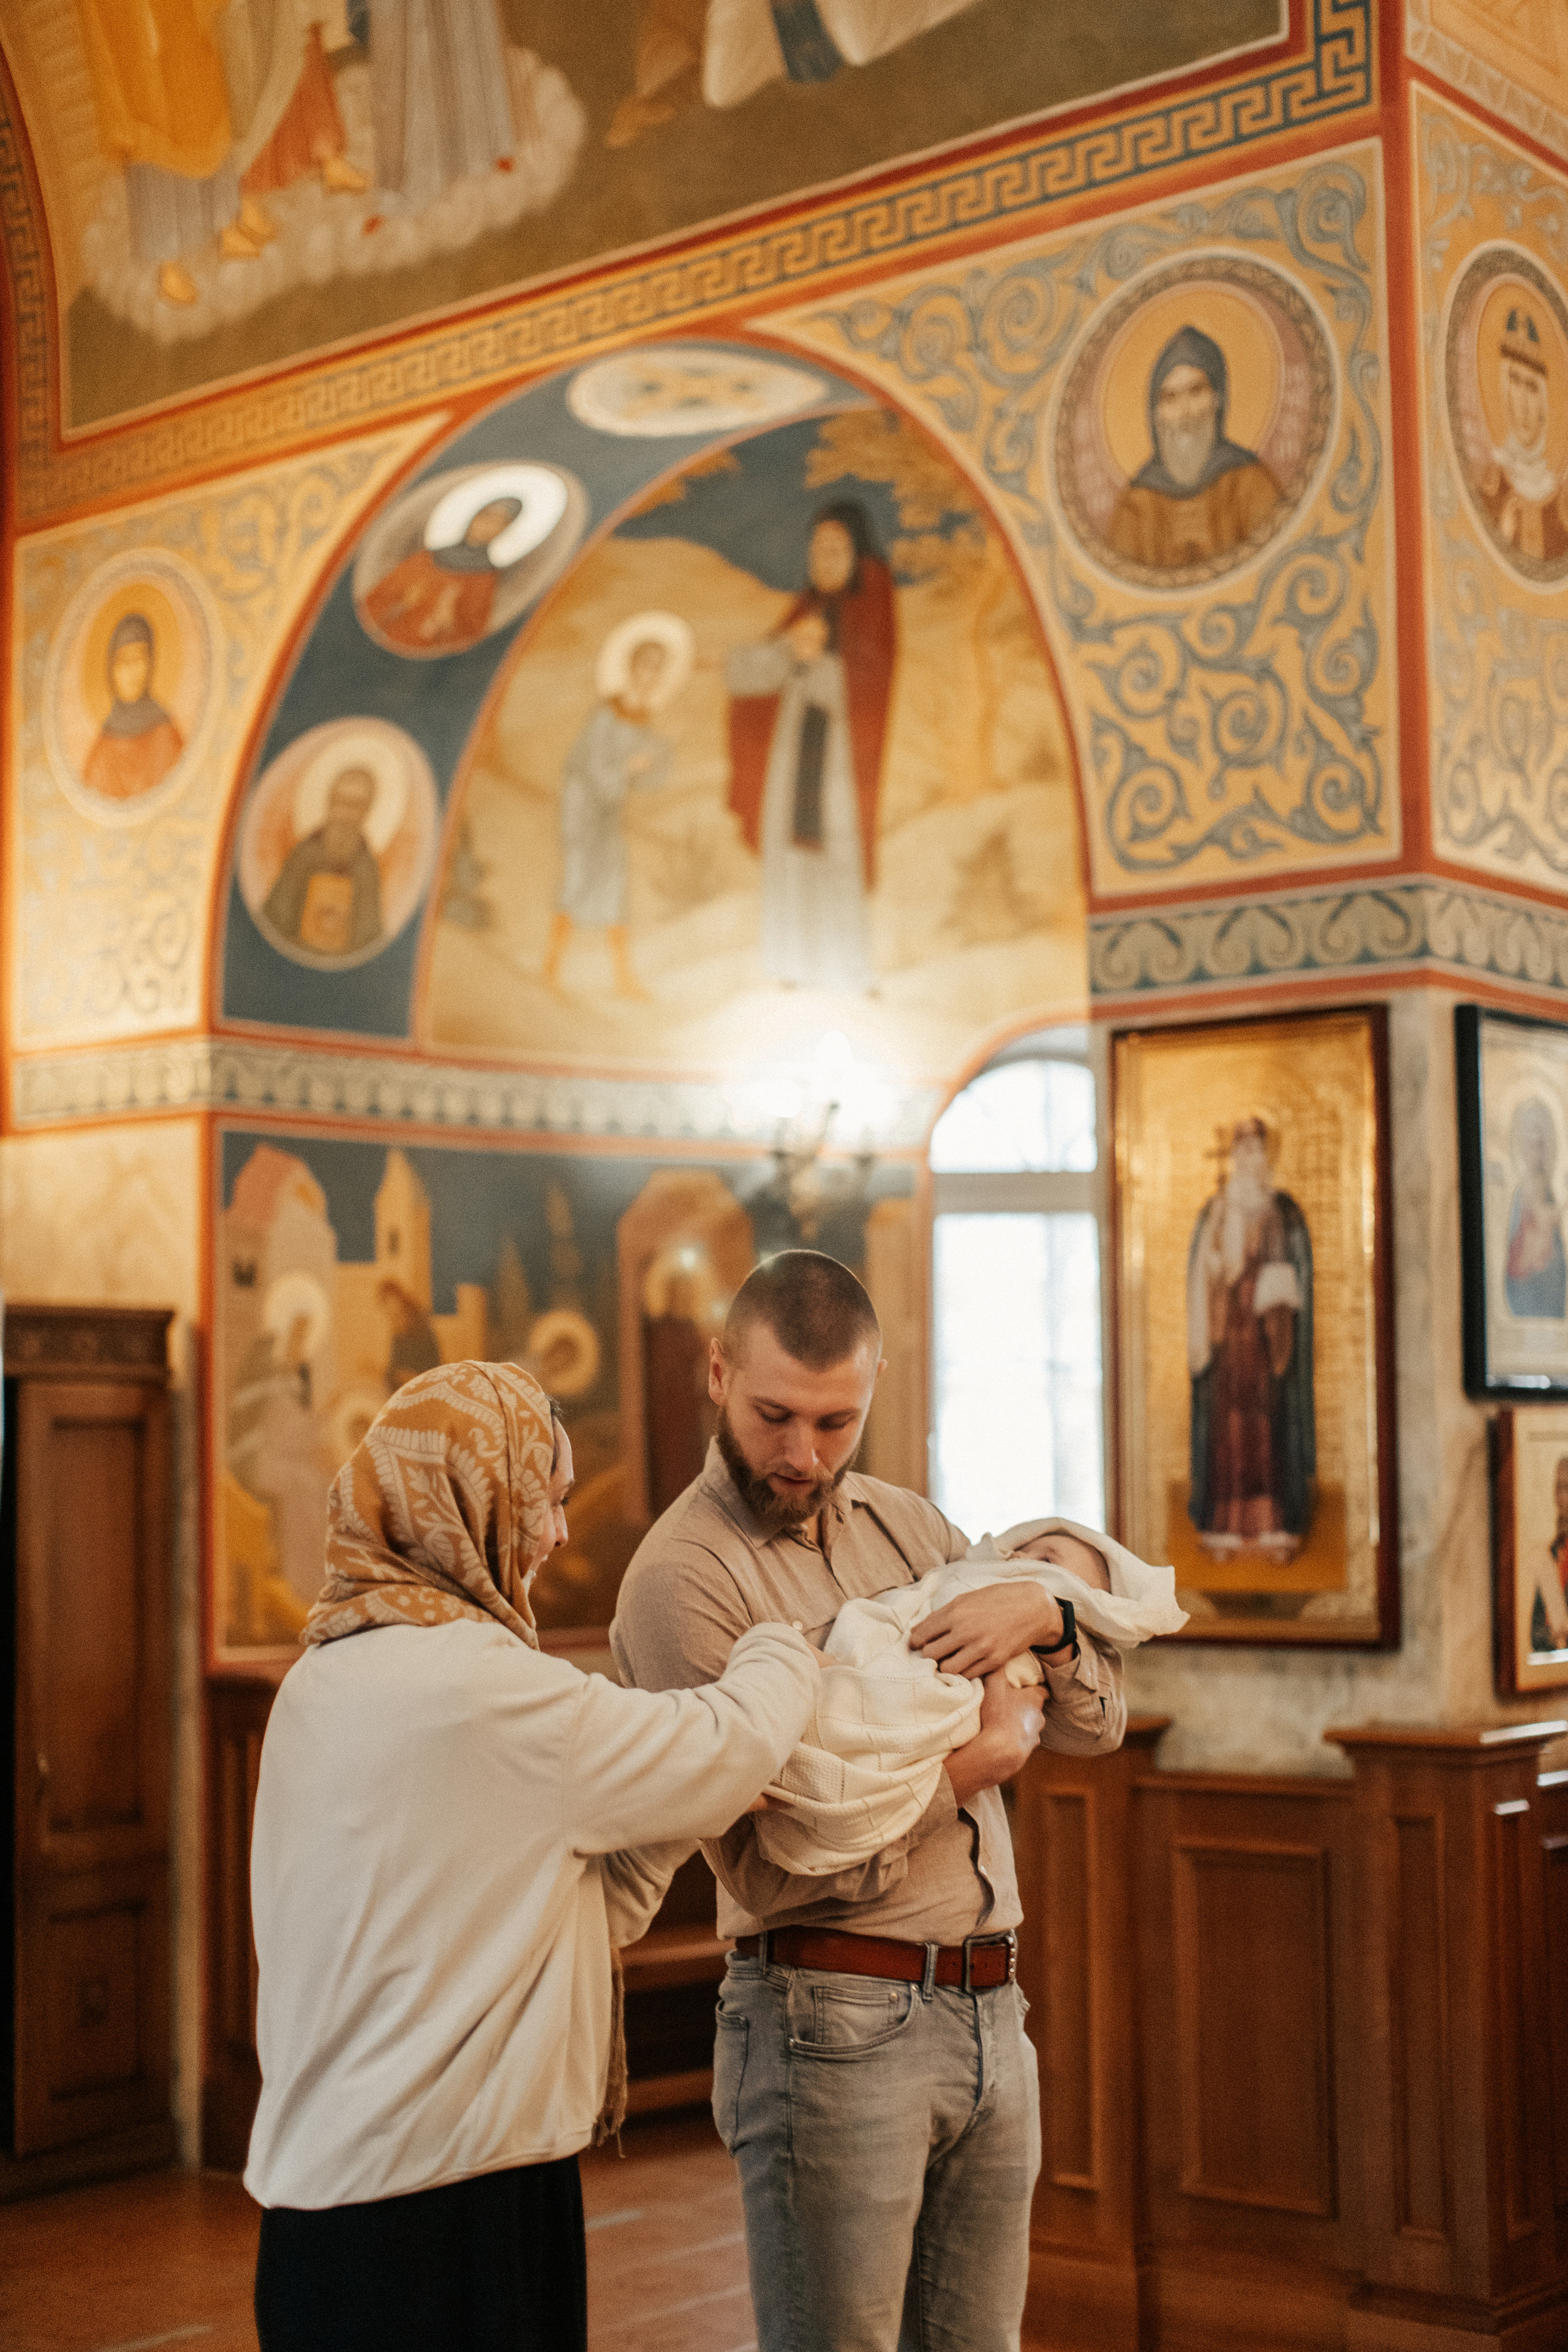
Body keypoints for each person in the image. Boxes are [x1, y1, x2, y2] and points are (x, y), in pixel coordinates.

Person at [247, 1360, 820, 2352]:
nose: (556, 1532)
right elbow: (732, 1739)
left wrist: (680, 1804)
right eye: (543, 1500)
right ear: (474, 1501)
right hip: (453, 2205)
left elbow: (564, 1906)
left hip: (315, 2209)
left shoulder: (316, 1682)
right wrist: (780, 1642)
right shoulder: (491, 1694)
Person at [611, 1251, 1126, 2352]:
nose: (802, 1455)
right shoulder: (682, 1578)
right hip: (827, 2022)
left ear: (877, 1385)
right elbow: (767, 1869)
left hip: (992, 2007)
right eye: (774, 1415)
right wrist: (965, 1775)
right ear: (716, 1372)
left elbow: (1095, 1723)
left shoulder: (913, 1529)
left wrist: (1047, 1615)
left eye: (835, 1422)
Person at [726, 502, 895, 993]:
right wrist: (785, 652)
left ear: (858, 556)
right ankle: (789, 965)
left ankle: (851, 971)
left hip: (840, 763)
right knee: (791, 856)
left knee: (839, 860)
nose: (824, 559)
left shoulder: (871, 608)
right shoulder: (808, 612)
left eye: (836, 548)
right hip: (795, 756)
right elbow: (751, 676)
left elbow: (868, 686)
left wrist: (814, 663)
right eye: (817, 549)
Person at [1186, 1115, 1314, 1552]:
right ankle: (1226, 1522)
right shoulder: (1219, 1209)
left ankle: (1271, 1520)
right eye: (1241, 1151)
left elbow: (1294, 1270)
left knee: (1267, 1420)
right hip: (1230, 1332)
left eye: (1256, 1149)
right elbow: (1206, 1270)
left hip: (1265, 1330)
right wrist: (1219, 1265)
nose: (1248, 1158)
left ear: (1266, 1155)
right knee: (1230, 1424)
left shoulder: (1280, 1210)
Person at [544, 617, 689, 1000]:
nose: (652, 676)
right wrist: (628, 767)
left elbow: (644, 779)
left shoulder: (643, 719)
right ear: (631, 668)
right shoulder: (605, 714)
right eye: (646, 666)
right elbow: (591, 767)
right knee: (576, 881)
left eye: (659, 669)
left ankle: (624, 980)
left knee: (615, 889)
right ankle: (551, 969)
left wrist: (661, 755)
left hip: (608, 816)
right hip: (581, 811)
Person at [1106, 325, 1282, 572]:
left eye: (1196, 391)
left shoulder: (1249, 483)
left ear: (1218, 399)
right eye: (1170, 398)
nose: (1185, 413)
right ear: (1156, 414)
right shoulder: (1137, 505)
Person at [363, 495, 525, 652]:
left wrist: (448, 622)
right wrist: (399, 605)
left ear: (503, 531)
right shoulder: (426, 558)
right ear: (474, 518)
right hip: (383, 641)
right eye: (486, 518)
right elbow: (375, 601)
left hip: (423, 654)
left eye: (499, 524)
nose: (488, 527)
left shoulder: (485, 578)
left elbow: (473, 634)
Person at [1471, 307, 1568, 568]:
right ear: (1503, 389)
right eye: (1515, 382)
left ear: (1546, 405)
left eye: (1533, 387)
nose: (1523, 403)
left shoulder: (1563, 508)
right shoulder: (1490, 488)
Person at [261, 764, 383, 957]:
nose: (345, 813)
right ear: (330, 803)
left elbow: (368, 936)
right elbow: (277, 918)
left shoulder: (367, 867)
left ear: (366, 811)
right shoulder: (305, 854)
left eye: (356, 805)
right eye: (340, 801)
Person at [83, 613, 186, 802]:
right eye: (123, 661)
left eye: (139, 658)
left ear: (150, 663)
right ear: (111, 671)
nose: (132, 671)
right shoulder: (102, 749)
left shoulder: (165, 737)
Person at [1506, 1096, 1567, 1319]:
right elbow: (1542, 1219)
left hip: (1549, 1273)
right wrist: (1559, 1211)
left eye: (1543, 1145)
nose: (1539, 1153)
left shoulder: (1548, 1185)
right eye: (1533, 1146)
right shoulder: (1526, 1189)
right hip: (1528, 1273)